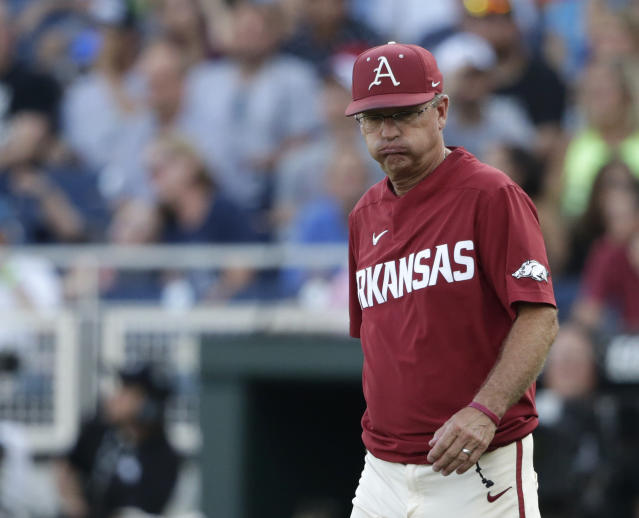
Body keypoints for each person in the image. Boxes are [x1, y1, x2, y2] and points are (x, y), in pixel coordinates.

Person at [344, 42, 558, 516]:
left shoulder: (491, 194)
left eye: (405, 113)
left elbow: (539, 319)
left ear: (441, 111)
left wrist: (485, 410)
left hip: (477, 467)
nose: (389, 131)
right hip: (382, 471)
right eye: (373, 118)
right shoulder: (364, 215)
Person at [56, 362, 180, 518]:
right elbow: (68, 466)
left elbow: (143, 510)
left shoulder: (164, 458)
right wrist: (74, 501)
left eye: (127, 392)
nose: (115, 397)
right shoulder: (97, 430)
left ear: (149, 405)